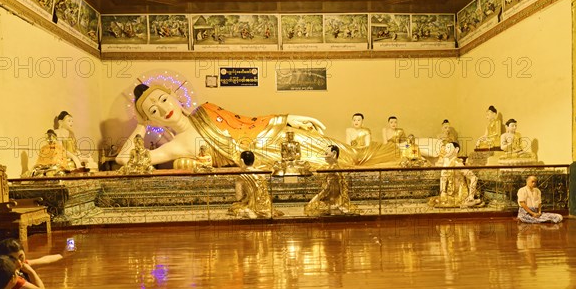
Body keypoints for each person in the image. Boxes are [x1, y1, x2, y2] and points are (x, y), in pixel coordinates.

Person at [117, 84, 401, 169]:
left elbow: (246, 122)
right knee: (327, 161)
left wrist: (288, 118)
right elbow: (122, 160)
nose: (164, 109)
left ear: (176, 98)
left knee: (331, 147)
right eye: (153, 111)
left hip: (268, 137)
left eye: (164, 99)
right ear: (151, 119)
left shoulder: (206, 110)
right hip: (258, 161)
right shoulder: (175, 145)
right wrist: (139, 125)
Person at [304, 145, 358, 216]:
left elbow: (327, 189)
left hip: (334, 201)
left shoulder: (333, 169)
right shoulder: (332, 167)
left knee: (311, 207)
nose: (324, 156)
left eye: (326, 154)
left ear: (334, 154)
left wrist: (315, 199)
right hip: (332, 199)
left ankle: (335, 210)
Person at [229, 151, 282, 219]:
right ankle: (261, 212)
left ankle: (249, 211)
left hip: (250, 204)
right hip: (265, 205)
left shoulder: (241, 176)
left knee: (234, 208)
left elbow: (238, 197)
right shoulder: (261, 173)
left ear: (241, 161)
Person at [428, 142, 482, 208]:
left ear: (456, 149)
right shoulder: (446, 164)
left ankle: (470, 201)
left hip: (460, 195)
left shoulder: (458, 164)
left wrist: (471, 195)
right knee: (433, 201)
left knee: (445, 202)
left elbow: (474, 178)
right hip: (449, 194)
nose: (445, 150)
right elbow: (443, 179)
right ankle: (471, 202)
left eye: (448, 147)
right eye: (445, 148)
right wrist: (443, 192)